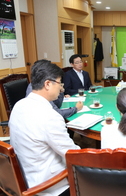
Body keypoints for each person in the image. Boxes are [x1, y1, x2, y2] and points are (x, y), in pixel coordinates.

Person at [9, 60, 80, 196]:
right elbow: (73, 155)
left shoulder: (19, 105)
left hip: (25, 176)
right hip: (48, 187)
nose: (61, 89)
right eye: (59, 83)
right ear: (47, 84)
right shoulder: (49, 116)